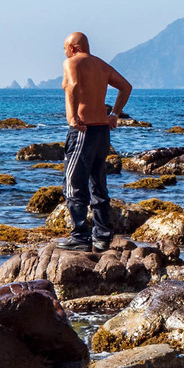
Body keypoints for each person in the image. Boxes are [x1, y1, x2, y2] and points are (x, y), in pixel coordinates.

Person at [60, 34, 131, 251]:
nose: (63, 52)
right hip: (102, 130)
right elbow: (126, 87)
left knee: (74, 184)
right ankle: (102, 237)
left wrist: (72, 117)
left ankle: (80, 236)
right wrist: (115, 114)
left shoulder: (71, 62)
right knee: (98, 184)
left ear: (72, 47)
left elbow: (72, 86)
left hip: (83, 129)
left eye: (64, 48)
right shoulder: (101, 65)